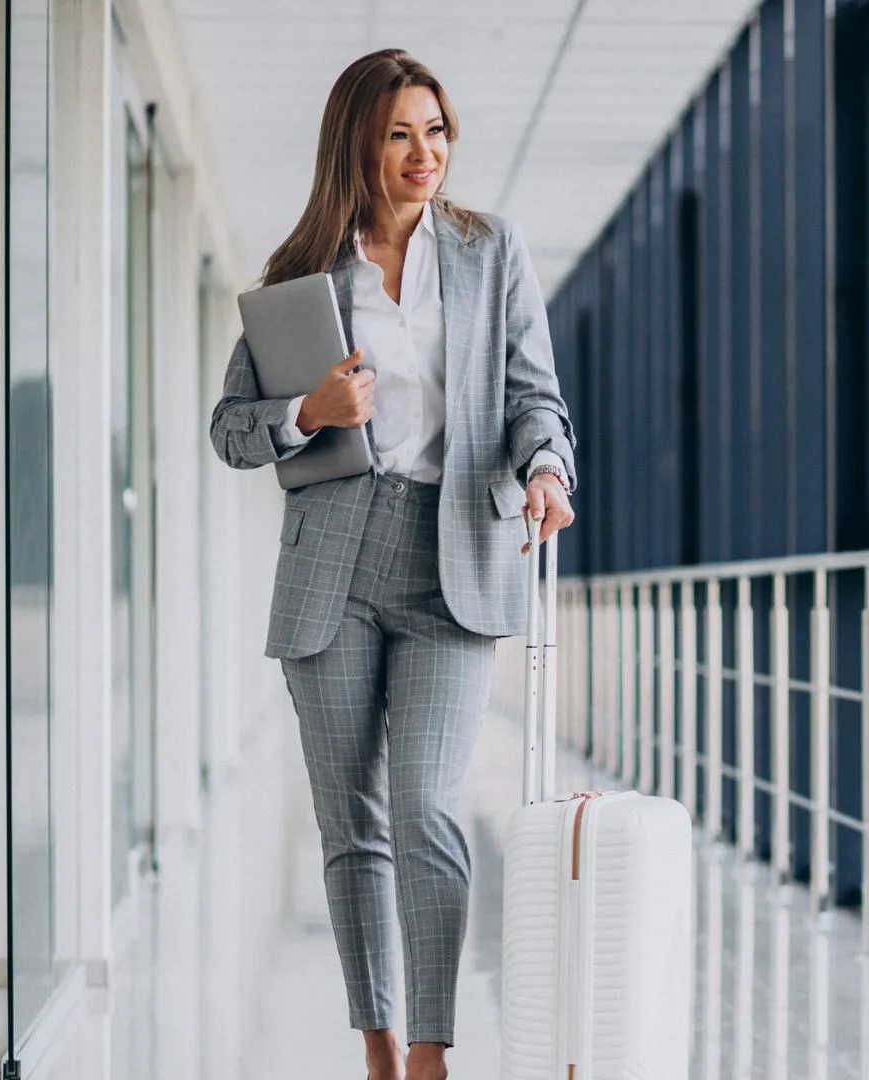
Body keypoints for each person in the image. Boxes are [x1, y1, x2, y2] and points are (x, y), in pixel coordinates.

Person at [208, 48, 577, 1080]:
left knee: (426, 806)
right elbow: (231, 430)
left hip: (451, 555)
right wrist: (308, 411)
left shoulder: (491, 251)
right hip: (332, 563)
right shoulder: (301, 276)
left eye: (437, 131)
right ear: (357, 148)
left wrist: (546, 469)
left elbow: (534, 398)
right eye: (400, 135)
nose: (426, 154)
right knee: (352, 822)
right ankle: (376, 1044)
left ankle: (429, 1048)